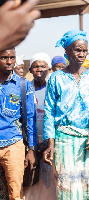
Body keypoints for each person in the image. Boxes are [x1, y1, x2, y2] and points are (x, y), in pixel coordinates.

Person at [42, 30, 89, 199]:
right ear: (67, 52)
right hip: (65, 140)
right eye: (77, 50)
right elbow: (49, 111)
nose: (82, 54)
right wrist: (51, 143)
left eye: (84, 51)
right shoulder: (55, 78)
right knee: (67, 188)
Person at [0, 48, 37, 200]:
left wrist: (31, 149)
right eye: (3, 57)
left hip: (13, 145)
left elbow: (30, 118)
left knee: (15, 193)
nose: (9, 62)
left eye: (12, 57)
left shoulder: (23, 85)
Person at [24, 52, 56, 200]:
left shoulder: (53, 89)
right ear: (30, 70)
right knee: (33, 180)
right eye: (35, 66)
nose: (39, 69)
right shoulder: (25, 89)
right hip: (31, 141)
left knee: (51, 179)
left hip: (50, 141)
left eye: (43, 66)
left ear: (48, 69)